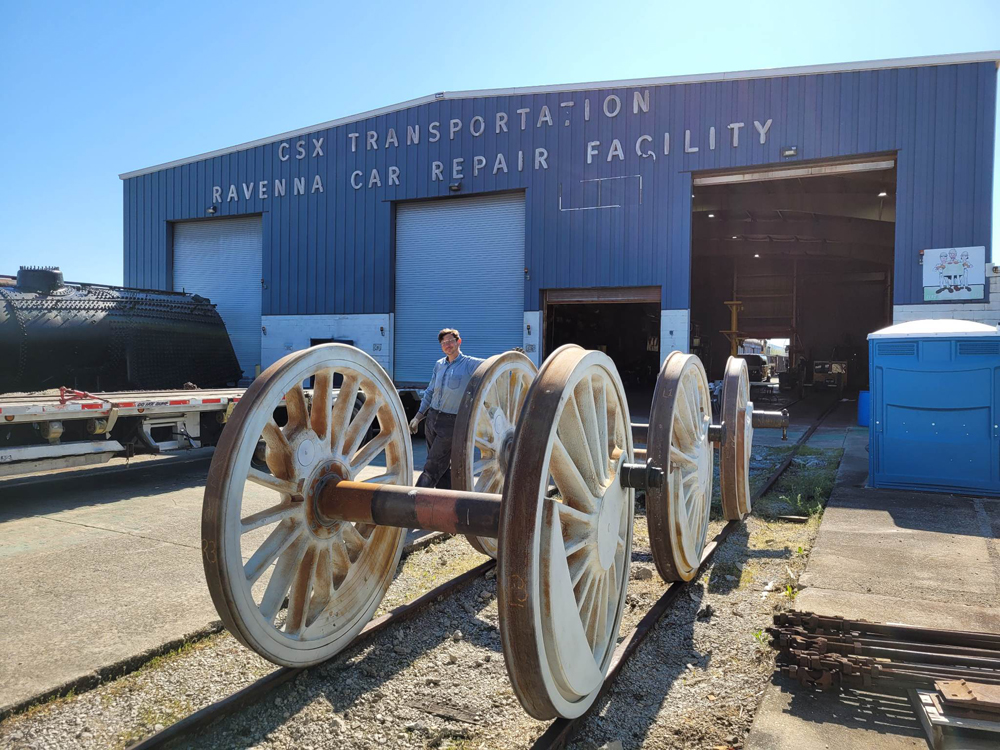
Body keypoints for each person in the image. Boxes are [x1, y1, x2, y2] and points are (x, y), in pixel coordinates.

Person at [409, 328, 484, 488]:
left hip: (451, 422)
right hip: (432, 419)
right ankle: (446, 501)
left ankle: (415, 498)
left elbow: (493, 366)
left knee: (432, 465)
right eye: (444, 343)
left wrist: (512, 356)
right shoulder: (439, 365)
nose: (447, 345)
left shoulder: (470, 364)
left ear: (459, 341)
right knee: (441, 466)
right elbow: (430, 391)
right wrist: (418, 416)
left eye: (450, 341)